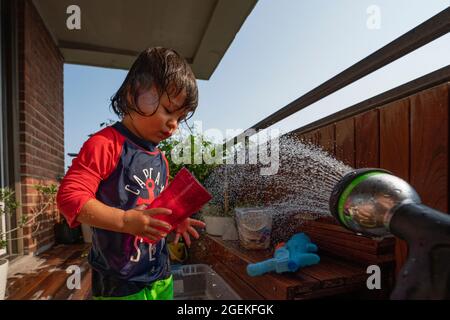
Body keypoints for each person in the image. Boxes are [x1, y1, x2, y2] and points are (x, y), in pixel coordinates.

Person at [57, 47, 206, 300]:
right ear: (132, 94)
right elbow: (69, 198)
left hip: (160, 273)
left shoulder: (160, 159)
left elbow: (157, 205)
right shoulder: (106, 145)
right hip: (119, 282)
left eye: (180, 118)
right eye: (169, 110)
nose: (174, 124)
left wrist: (175, 219)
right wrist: (125, 221)